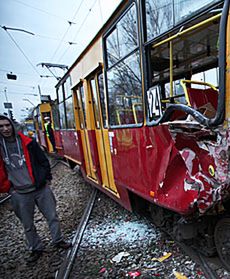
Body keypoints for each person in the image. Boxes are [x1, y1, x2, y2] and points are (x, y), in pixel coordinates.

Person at [0, 114, 71, 263]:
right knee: (27, 224)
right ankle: (35, 248)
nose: (5, 129)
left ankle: (58, 240)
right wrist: (8, 188)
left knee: (52, 217)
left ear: (12, 126)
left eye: (7, 125)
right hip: (19, 192)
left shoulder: (29, 142)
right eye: (1, 126)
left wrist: (46, 179)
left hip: (40, 188)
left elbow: (43, 161)